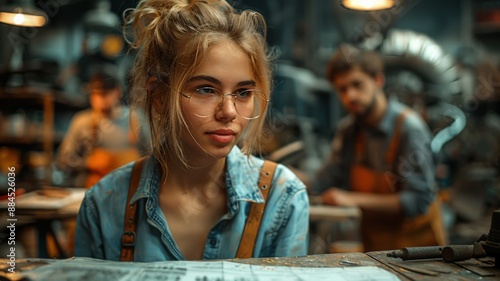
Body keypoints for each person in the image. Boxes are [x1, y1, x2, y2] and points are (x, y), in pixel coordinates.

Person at [74, 0, 309, 261]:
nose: (229, 111)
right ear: (160, 95)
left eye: (243, 93)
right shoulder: (105, 204)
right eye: (206, 89)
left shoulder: (282, 197)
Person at [311, 44, 447, 251]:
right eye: (342, 89)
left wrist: (352, 199)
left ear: (378, 80)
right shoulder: (349, 131)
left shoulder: (409, 128)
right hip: (376, 249)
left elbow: (417, 200)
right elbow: (322, 181)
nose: (351, 96)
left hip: (418, 252)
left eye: (357, 85)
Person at [56, 64, 143, 188]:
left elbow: (154, 156)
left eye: (105, 94)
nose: (100, 100)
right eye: (95, 94)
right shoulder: (82, 122)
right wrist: (88, 162)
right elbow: (63, 159)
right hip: (94, 189)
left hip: (130, 189)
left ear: (118, 91)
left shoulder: (134, 120)